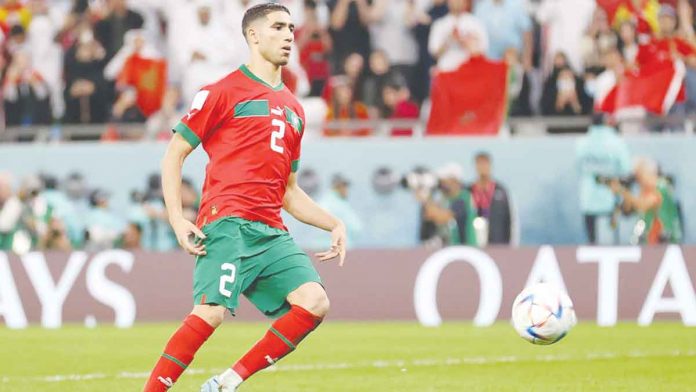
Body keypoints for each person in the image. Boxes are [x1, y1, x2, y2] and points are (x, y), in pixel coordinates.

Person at [143, 4, 347, 392]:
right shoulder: (222, 92)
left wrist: (333, 223)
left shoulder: (294, 109)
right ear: (253, 36)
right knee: (211, 312)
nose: (288, 35)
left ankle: (226, 382)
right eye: (277, 27)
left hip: (270, 230)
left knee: (314, 301)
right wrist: (177, 218)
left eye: (290, 27)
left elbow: (289, 193)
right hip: (227, 222)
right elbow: (174, 154)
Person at [611, 157, 682, 244]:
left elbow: (643, 205)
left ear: (649, 173)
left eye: (639, 174)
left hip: (667, 241)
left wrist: (622, 191)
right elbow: (629, 211)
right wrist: (623, 190)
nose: (638, 179)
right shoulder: (644, 190)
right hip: (650, 241)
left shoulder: (661, 187)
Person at [469, 152, 513, 245]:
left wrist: (511, 244)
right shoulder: (468, 191)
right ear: (475, 166)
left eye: (485, 164)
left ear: (490, 166)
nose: (483, 167)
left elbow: (511, 219)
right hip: (473, 241)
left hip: (497, 242)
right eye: (480, 164)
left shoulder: (501, 191)